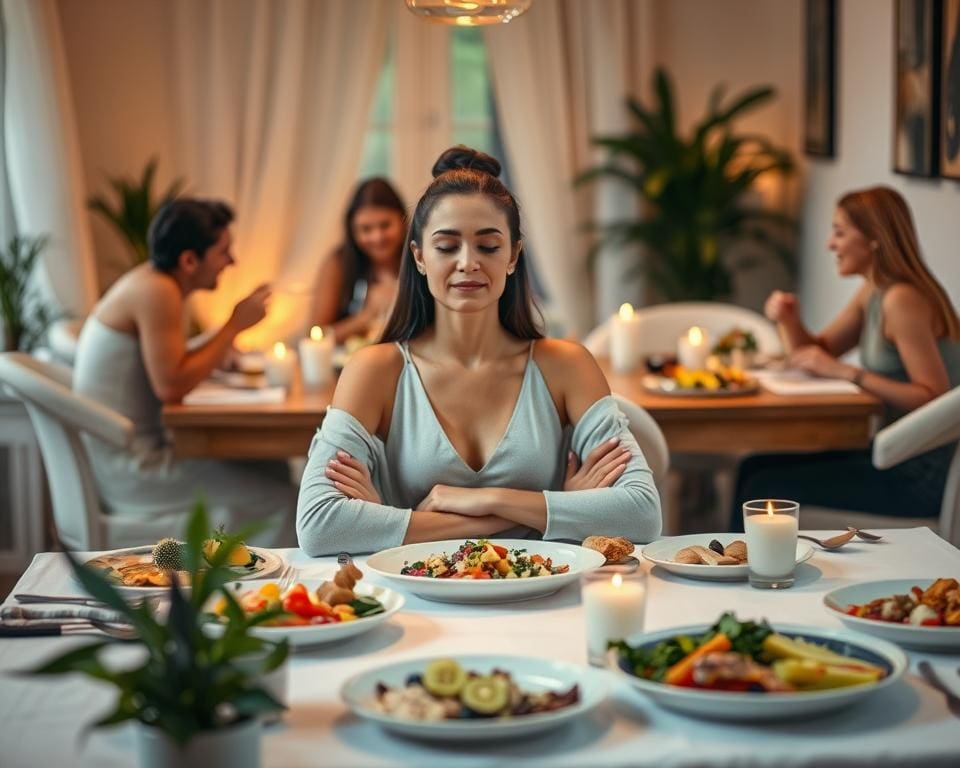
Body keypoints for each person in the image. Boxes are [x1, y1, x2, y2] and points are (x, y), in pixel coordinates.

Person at [297, 147, 661, 556]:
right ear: (418, 256)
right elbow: (319, 525)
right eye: (447, 246)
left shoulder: (566, 366)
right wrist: (553, 503)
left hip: (545, 594)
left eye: (488, 246)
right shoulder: (375, 370)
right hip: (419, 599)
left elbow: (642, 513)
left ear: (513, 255)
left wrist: (465, 503)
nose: (468, 263)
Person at [73, 198, 297, 546]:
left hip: (136, 456)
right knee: (287, 500)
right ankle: (265, 595)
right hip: (137, 471)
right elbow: (171, 386)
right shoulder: (157, 292)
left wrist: (217, 346)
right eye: (224, 251)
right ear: (189, 260)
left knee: (274, 468)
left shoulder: (154, 282)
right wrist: (233, 325)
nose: (232, 261)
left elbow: (169, 362)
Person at [732, 185, 960, 526]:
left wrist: (848, 373)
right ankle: (736, 565)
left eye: (839, 233)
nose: (830, 244)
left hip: (918, 476)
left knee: (764, 485)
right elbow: (817, 353)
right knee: (753, 467)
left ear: (874, 239)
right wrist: (789, 320)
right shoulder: (874, 290)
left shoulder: (902, 300)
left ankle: (754, 572)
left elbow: (934, 397)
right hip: (889, 456)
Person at [313, 178, 406, 343]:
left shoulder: (419, 259)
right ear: (352, 229)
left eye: (385, 225)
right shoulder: (338, 264)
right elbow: (315, 337)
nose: (377, 237)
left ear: (402, 220)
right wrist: (368, 315)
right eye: (366, 229)